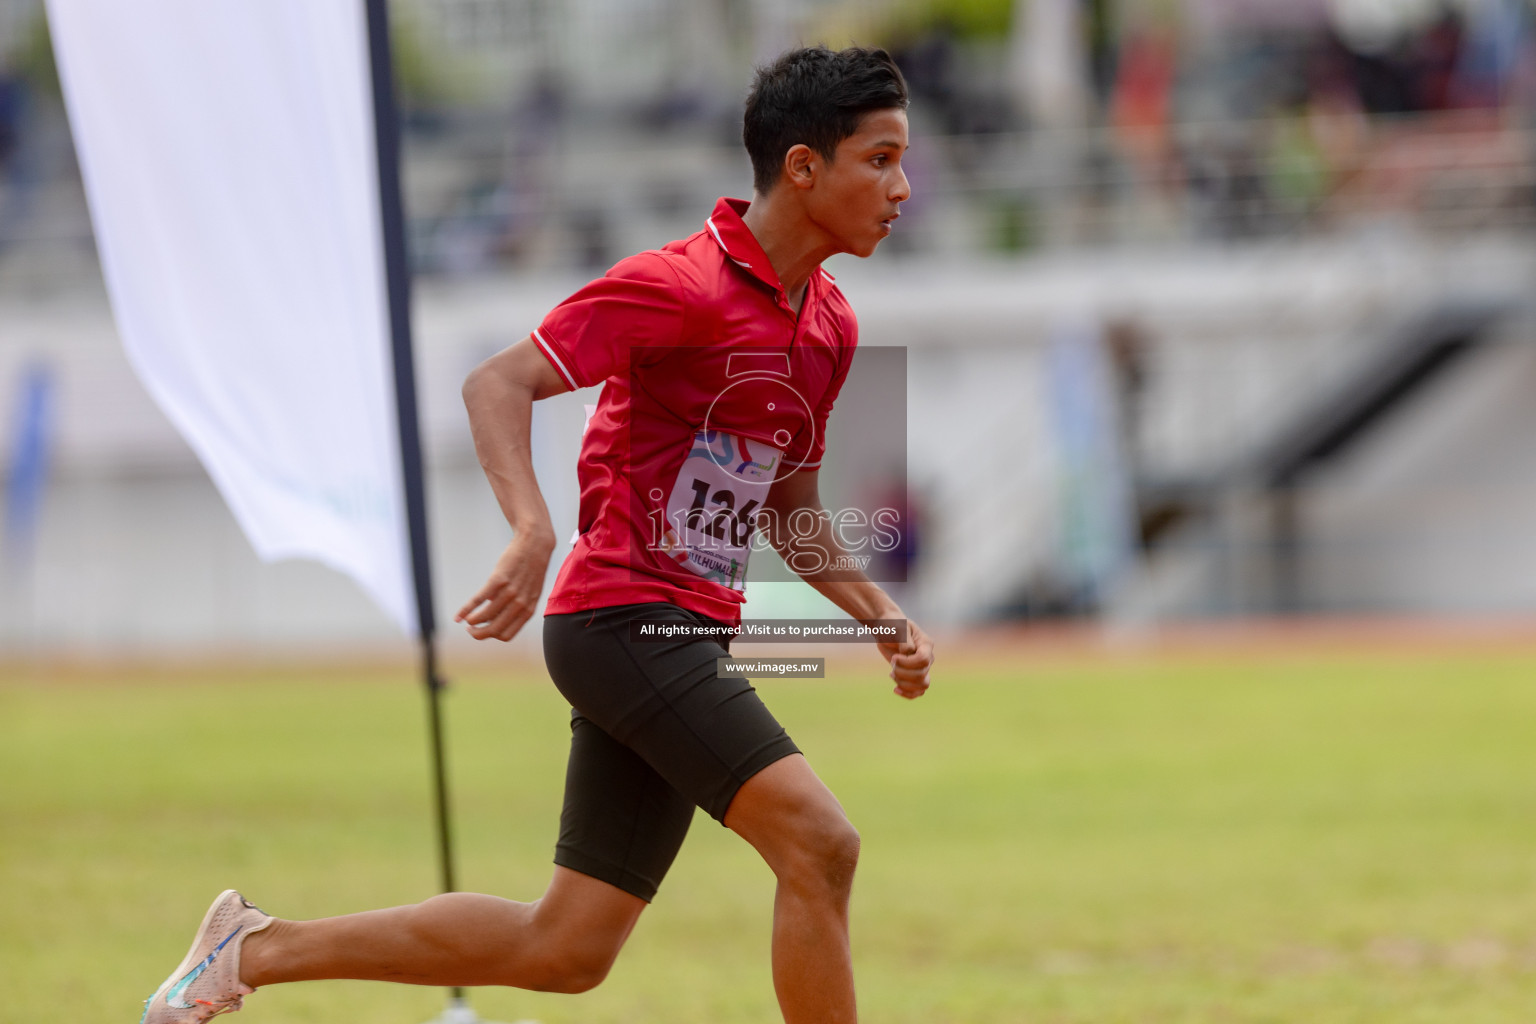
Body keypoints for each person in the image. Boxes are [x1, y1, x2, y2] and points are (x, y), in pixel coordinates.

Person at [139, 45, 934, 1024]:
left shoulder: (829, 328)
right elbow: (498, 381)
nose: (904, 187)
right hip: (624, 620)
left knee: (565, 947)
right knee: (820, 842)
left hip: (684, 631)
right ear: (805, 167)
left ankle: (254, 948)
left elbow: (789, 504)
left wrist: (876, 612)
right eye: (882, 159)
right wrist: (529, 528)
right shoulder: (676, 285)